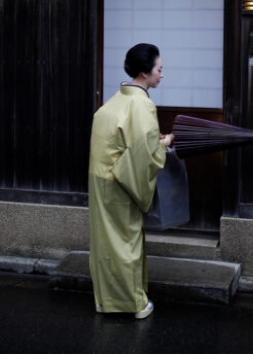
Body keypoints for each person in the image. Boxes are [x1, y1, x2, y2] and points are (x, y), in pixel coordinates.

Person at [88, 43, 174, 320]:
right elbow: (144, 155)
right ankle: (134, 304)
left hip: (100, 179)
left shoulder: (115, 100)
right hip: (120, 182)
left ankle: (106, 300)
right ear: (144, 72)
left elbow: (131, 142)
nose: (162, 74)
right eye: (159, 69)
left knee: (105, 242)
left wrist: (152, 143)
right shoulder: (142, 104)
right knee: (127, 241)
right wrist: (165, 143)